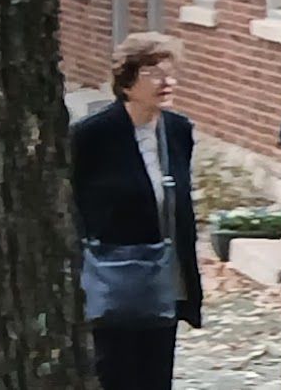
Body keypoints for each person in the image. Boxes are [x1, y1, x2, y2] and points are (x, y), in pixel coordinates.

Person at [70, 32, 202, 390]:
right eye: (153, 73)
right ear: (127, 81)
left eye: (170, 72)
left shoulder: (177, 130)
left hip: (165, 276)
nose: (166, 81)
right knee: (115, 374)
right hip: (112, 280)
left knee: (157, 374)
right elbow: (74, 205)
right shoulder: (92, 135)